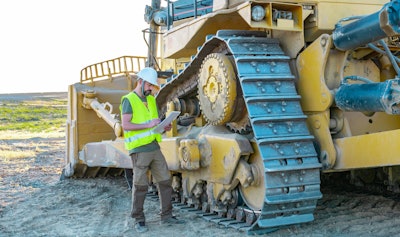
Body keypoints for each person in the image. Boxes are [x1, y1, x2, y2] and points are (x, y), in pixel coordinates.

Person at [120, 67, 184, 233]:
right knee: (140, 185)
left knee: (165, 181)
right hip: (139, 149)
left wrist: (164, 126)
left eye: (152, 86)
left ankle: (167, 215)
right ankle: (138, 219)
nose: (151, 88)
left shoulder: (151, 100)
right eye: (149, 85)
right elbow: (126, 125)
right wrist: (148, 125)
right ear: (140, 82)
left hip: (154, 147)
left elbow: (154, 127)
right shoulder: (128, 100)